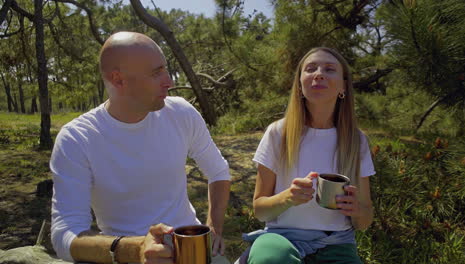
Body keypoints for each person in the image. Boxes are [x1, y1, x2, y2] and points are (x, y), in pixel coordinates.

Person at [50, 31, 231, 264]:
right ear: (118, 80)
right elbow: (65, 234)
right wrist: (135, 249)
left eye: (165, 69)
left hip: (191, 249)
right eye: (156, 73)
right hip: (124, 255)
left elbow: (218, 171)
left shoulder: (181, 114)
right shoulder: (77, 139)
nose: (170, 82)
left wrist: (214, 228)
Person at [242, 47, 375, 264]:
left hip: (336, 243)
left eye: (329, 69)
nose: (319, 74)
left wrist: (357, 210)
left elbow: (365, 220)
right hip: (281, 238)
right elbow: (260, 211)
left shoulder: (356, 141)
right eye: (311, 69)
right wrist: (288, 198)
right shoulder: (278, 133)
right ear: (300, 85)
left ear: (343, 86)